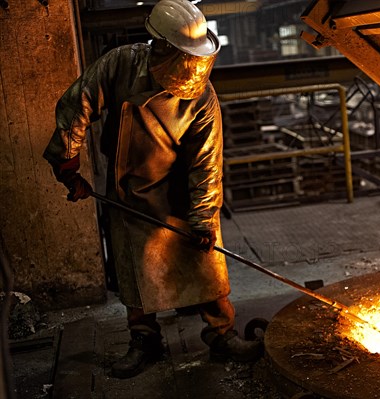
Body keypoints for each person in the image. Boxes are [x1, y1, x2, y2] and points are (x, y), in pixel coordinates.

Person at [43, 0, 262, 379]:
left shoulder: (202, 97)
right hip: (128, 187)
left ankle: (222, 335)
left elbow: (206, 163)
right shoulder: (120, 65)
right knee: (134, 268)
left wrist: (203, 217)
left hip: (180, 190)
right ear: (159, 45)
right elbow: (75, 105)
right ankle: (144, 340)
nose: (188, 69)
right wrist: (67, 163)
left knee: (204, 260)